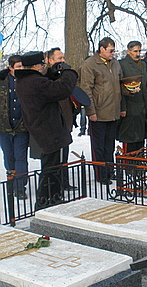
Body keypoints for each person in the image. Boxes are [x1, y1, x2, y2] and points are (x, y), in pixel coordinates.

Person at [15, 51, 78, 209]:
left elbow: (47, 85)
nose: (44, 66)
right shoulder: (35, 82)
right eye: (43, 64)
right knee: (50, 170)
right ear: (36, 66)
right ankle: (45, 203)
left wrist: (51, 73)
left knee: (52, 168)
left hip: (41, 128)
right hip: (48, 129)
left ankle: (53, 199)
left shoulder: (24, 81)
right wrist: (69, 72)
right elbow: (61, 89)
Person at [79, 37, 122, 184]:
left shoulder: (115, 63)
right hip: (98, 112)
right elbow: (86, 90)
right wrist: (91, 111)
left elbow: (120, 85)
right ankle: (101, 174)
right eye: (110, 51)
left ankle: (110, 170)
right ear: (101, 49)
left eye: (114, 51)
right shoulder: (90, 65)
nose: (113, 53)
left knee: (109, 145)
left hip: (113, 111)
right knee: (99, 146)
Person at [46, 47, 78, 190]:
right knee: (53, 159)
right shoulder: (45, 78)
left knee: (64, 155)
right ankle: (53, 186)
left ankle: (64, 181)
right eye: (59, 58)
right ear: (50, 60)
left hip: (66, 121)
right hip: (52, 126)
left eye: (63, 58)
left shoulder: (63, 76)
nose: (62, 61)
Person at [118, 40, 147, 153]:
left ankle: (139, 163)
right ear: (128, 51)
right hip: (130, 105)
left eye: (139, 51)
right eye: (135, 51)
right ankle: (130, 164)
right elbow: (119, 86)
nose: (137, 54)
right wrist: (123, 107)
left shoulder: (143, 64)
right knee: (130, 137)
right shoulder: (122, 64)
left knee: (141, 137)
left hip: (143, 106)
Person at [0, 55, 28, 199]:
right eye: (18, 67)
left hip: (21, 127)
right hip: (4, 127)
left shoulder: (26, 82)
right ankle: (11, 182)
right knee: (9, 157)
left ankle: (20, 187)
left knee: (20, 157)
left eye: (22, 66)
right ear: (11, 68)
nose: (21, 69)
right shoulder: (2, 81)